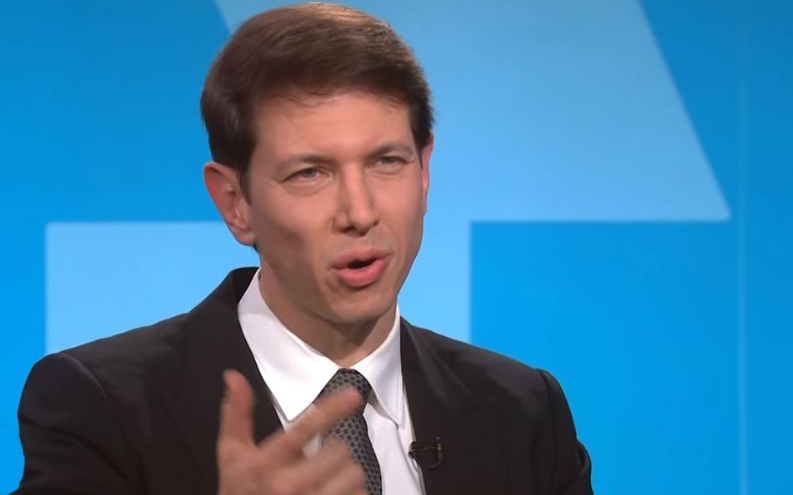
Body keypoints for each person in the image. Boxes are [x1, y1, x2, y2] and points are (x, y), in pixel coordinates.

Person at [14, 3, 592, 495]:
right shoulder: (101, 408)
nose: (360, 212)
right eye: (310, 173)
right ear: (235, 202)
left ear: (425, 171)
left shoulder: (522, 411)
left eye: (386, 162)